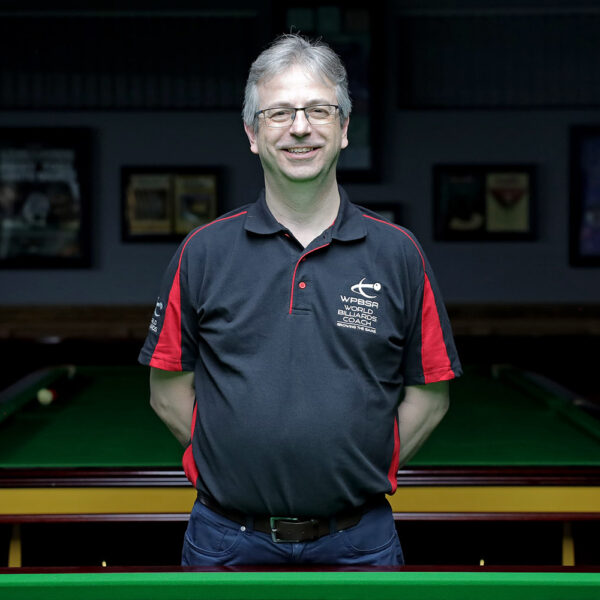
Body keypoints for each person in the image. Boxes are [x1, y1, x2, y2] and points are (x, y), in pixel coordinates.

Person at [139, 33, 462, 567]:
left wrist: (358, 471)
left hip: (360, 541)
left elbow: (430, 396)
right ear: (252, 133)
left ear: (344, 128)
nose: (300, 127)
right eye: (279, 113)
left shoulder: (398, 254)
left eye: (318, 110)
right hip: (225, 540)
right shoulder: (203, 252)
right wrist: (230, 466)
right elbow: (167, 391)